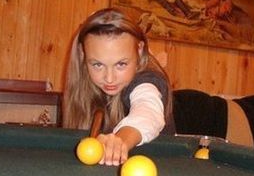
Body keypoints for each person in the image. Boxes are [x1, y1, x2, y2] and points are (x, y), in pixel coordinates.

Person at [64, 8, 175, 166]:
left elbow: (148, 111)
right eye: (97, 65)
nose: (109, 78)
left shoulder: (148, 80)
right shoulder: (85, 85)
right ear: (83, 54)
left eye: (121, 64)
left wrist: (119, 141)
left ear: (139, 50)